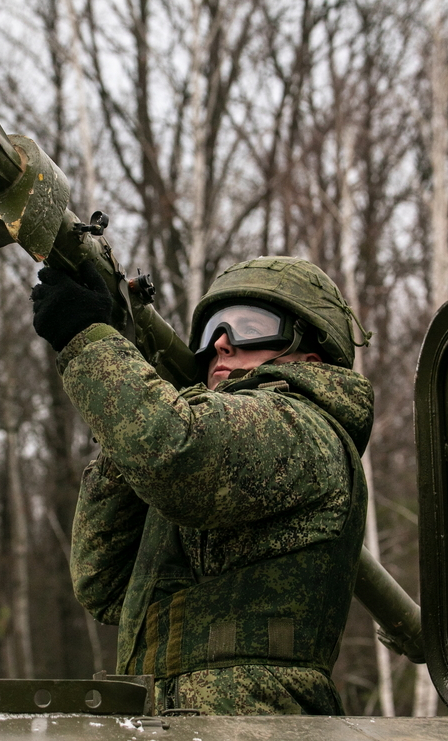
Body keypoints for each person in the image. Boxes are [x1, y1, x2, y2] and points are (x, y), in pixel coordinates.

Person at [31, 255, 373, 715]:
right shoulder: (205, 457)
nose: (222, 344)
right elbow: (103, 583)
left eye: (252, 326)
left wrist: (88, 340)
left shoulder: (305, 429)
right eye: (213, 330)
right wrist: (125, 426)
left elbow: (175, 452)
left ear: (310, 360)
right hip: (162, 720)